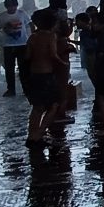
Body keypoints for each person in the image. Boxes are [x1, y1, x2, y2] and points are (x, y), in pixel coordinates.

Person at [24, 8, 66, 149]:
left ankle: (31, 135)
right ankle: (39, 134)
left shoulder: (33, 37)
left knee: (37, 108)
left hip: (34, 75)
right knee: (54, 105)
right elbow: (53, 55)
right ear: (53, 24)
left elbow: (27, 56)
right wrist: (63, 63)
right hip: (46, 75)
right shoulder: (50, 37)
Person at [0, 0, 30, 97]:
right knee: (9, 68)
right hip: (8, 45)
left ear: (16, 6)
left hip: (22, 43)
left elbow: (29, 25)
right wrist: (3, 26)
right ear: (6, 7)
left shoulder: (22, 14)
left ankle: (26, 89)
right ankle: (11, 89)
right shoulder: (1, 17)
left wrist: (31, 37)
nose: (12, 9)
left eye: (14, 7)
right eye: (10, 7)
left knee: (23, 68)